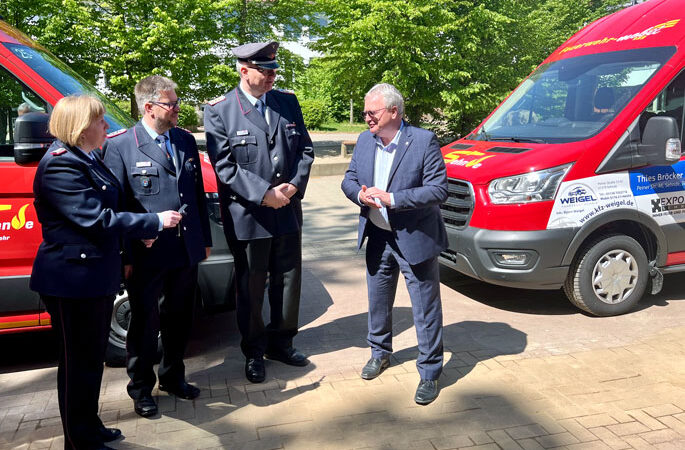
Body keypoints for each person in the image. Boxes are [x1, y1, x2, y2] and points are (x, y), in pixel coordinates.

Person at [30, 95, 181, 449]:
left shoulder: (86, 158)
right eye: (100, 121)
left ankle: (89, 425)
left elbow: (106, 210)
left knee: (90, 361)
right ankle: (78, 440)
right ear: (82, 128)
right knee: (77, 364)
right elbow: (95, 219)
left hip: (92, 277)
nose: (106, 127)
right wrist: (153, 221)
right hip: (71, 281)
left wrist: (138, 232)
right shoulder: (60, 165)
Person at [101, 76, 212, 417]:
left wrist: (203, 240)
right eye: (172, 104)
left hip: (184, 249)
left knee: (180, 318)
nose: (178, 108)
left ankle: (173, 376)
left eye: (177, 102)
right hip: (146, 253)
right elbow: (116, 207)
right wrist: (124, 254)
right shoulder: (120, 145)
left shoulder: (183, 139)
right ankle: (140, 388)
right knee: (145, 323)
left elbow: (194, 194)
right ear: (148, 107)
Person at [204, 41, 314, 383]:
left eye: (274, 71)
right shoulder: (220, 110)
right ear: (244, 70)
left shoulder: (287, 102)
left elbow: (305, 150)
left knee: (288, 279)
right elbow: (225, 166)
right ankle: (254, 350)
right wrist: (264, 194)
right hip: (250, 214)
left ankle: (282, 342)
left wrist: (293, 187)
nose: (272, 77)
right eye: (265, 71)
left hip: (287, 209)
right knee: (251, 287)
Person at [341, 83, 448, 405]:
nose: (366, 118)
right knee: (378, 300)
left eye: (371, 113)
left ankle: (430, 372)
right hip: (377, 235)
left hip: (415, 238)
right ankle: (380, 352)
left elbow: (438, 190)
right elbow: (348, 179)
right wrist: (359, 195)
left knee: (425, 307)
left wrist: (393, 199)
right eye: (365, 112)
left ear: (393, 112)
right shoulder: (364, 140)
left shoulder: (423, 141)